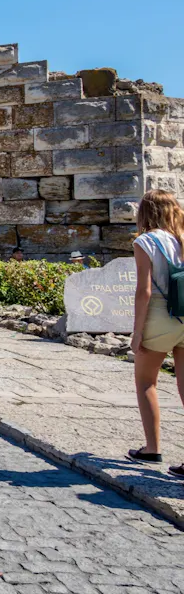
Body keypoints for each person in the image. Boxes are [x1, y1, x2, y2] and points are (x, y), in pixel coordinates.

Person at [126, 189, 184, 478]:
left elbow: (144, 291)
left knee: (147, 382)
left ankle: (152, 448)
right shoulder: (183, 238)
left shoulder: (145, 241)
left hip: (160, 316)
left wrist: (137, 332)